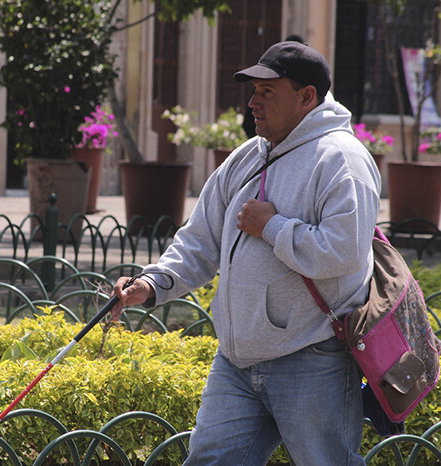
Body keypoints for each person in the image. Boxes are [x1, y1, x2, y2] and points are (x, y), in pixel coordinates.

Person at [112, 41, 380, 465]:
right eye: (252, 91)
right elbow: (199, 240)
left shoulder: (342, 161)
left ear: (307, 97)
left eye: (267, 92)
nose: (252, 103)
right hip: (236, 363)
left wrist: (271, 227)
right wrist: (152, 283)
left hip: (311, 359)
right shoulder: (246, 157)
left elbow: (344, 253)